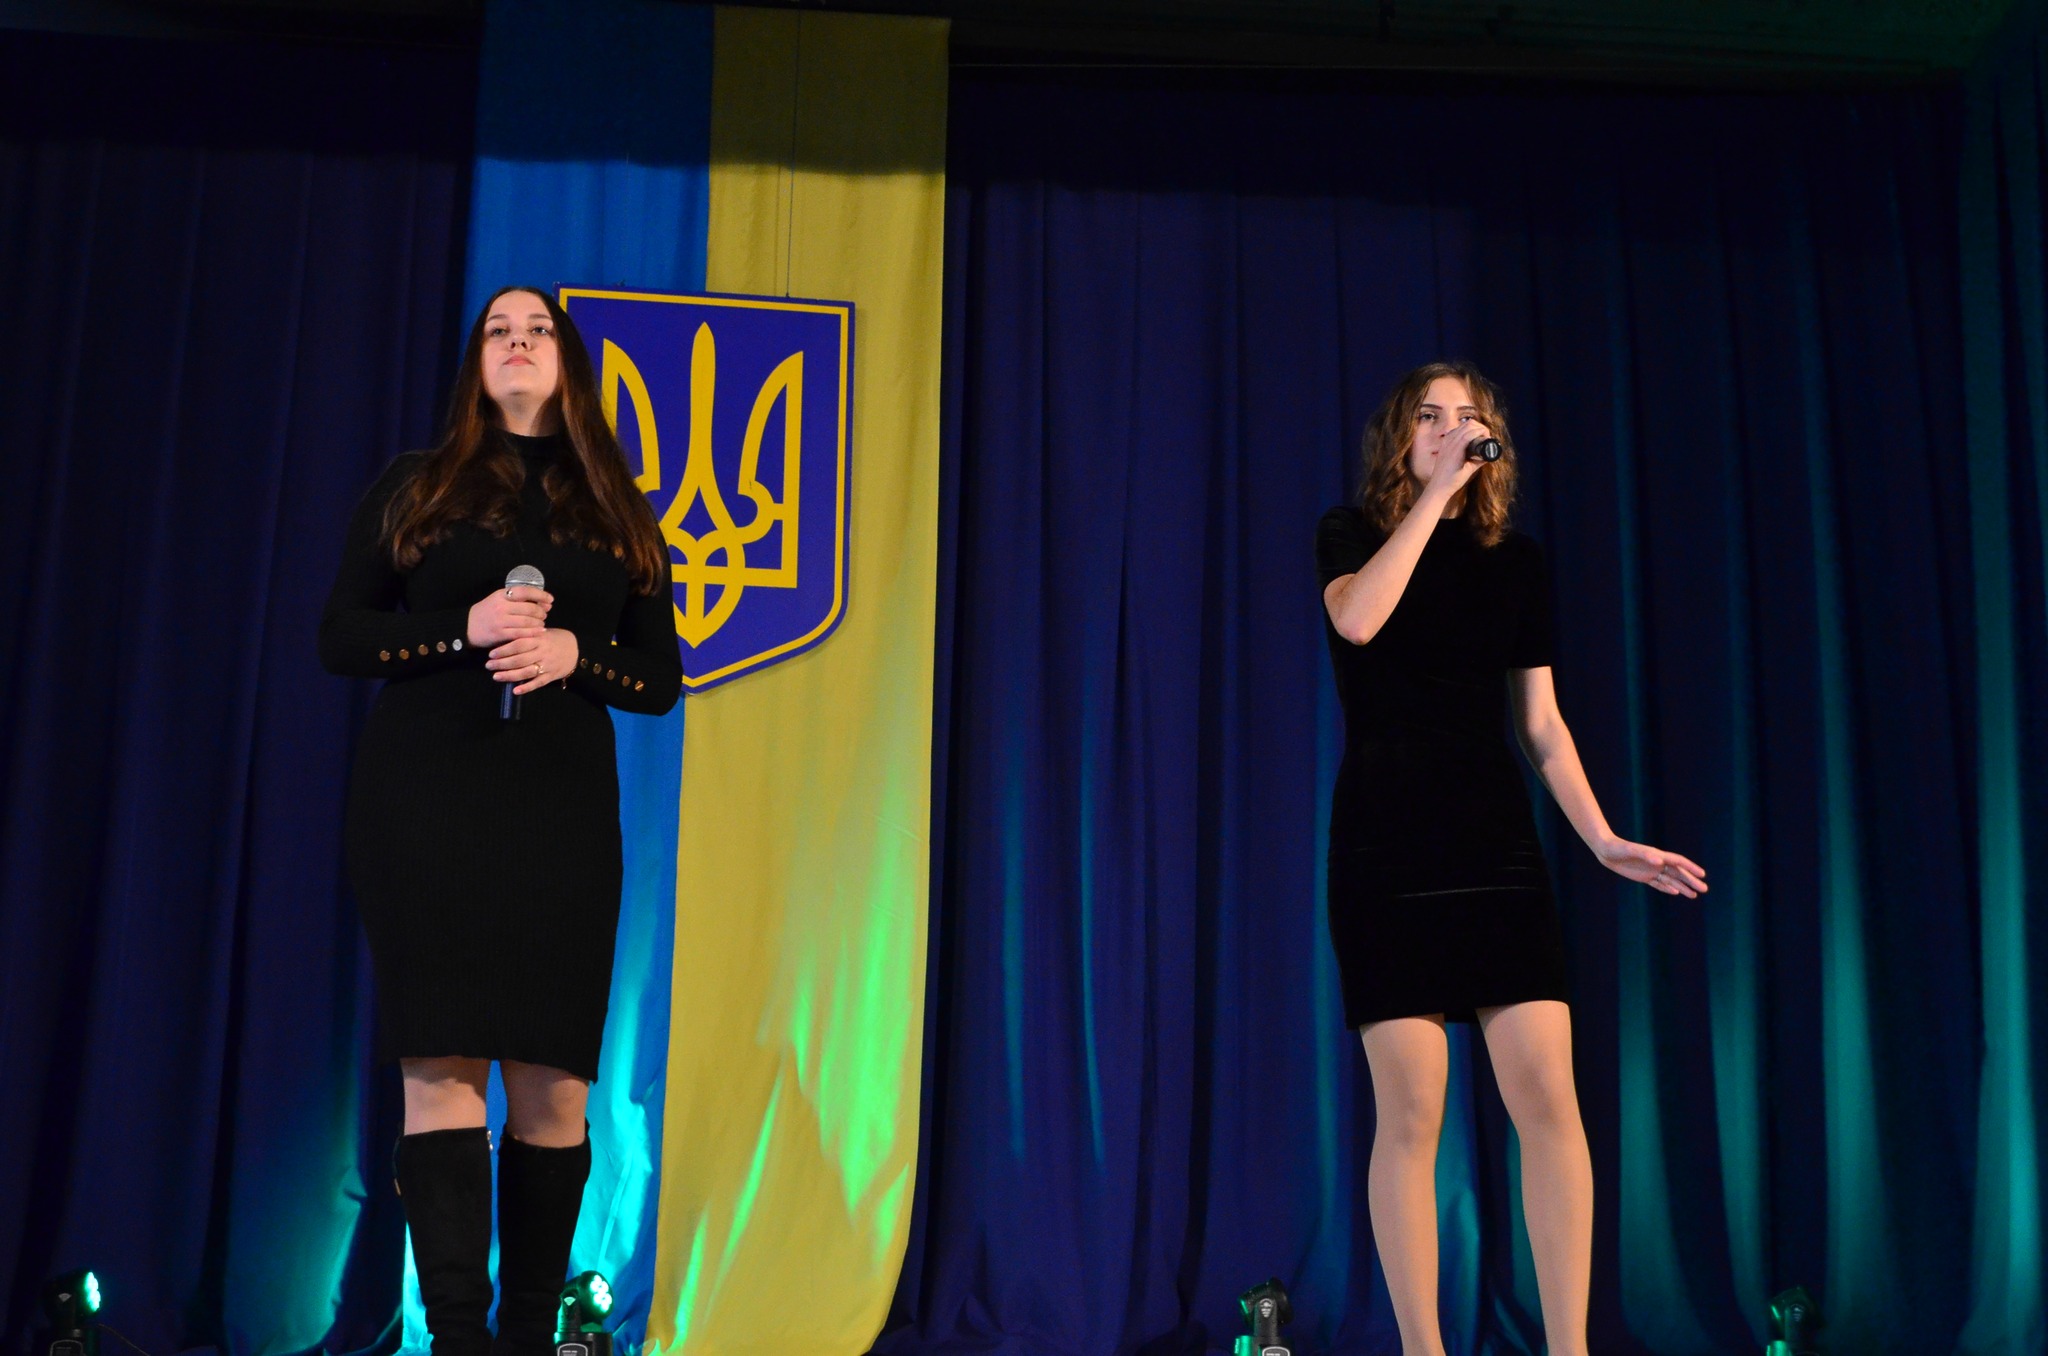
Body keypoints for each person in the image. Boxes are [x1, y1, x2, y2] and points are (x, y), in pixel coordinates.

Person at [1316, 361, 1706, 1356]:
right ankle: (1423, 1349)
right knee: (1412, 1110)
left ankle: (1568, 1347)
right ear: (1400, 439)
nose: (1450, 430)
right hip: (1385, 840)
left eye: (1467, 418)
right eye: (1429, 417)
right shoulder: (1349, 535)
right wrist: (1434, 500)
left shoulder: (1513, 562)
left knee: (1547, 1097)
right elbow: (1358, 619)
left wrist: (1604, 840)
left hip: (1491, 836)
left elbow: (1540, 725)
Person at [320, 286, 681, 1356]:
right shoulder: (418, 485)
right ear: (477, 364)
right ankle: (458, 1341)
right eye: (498, 332)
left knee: (554, 1090)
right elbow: (343, 636)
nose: (518, 344)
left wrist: (577, 654)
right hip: (425, 809)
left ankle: (526, 1336)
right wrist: (459, 629)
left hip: (560, 821)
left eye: (537, 332)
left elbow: (657, 679)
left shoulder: (614, 505)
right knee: (441, 1074)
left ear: (568, 364)